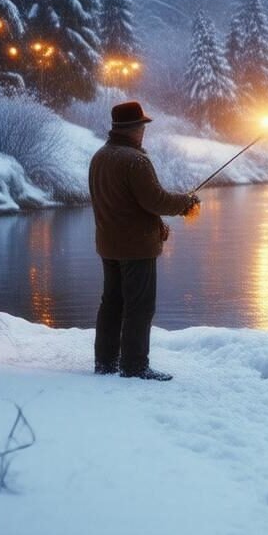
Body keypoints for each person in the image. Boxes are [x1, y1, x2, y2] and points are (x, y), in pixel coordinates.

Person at [89, 101, 199, 380]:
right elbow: (155, 200)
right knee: (139, 307)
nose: (144, 132)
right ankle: (135, 365)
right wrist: (186, 202)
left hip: (108, 245)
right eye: (142, 126)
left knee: (112, 304)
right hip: (136, 249)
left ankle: (106, 362)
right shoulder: (135, 161)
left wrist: (156, 223)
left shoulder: (100, 156)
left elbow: (124, 204)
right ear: (133, 129)